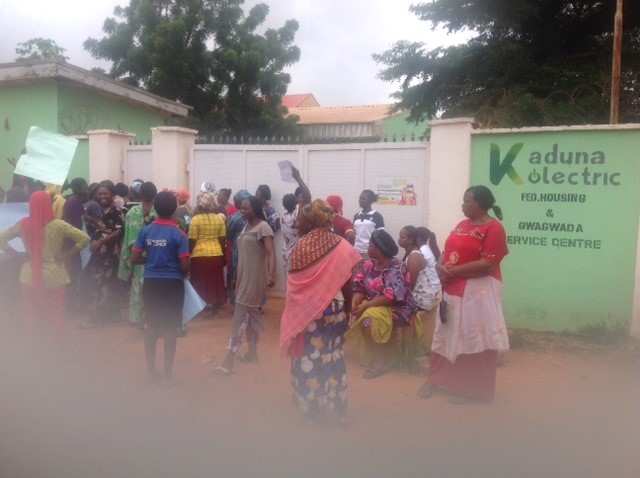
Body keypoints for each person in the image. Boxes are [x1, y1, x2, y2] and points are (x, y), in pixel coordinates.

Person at [417, 185, 509, 404]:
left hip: (478, 292)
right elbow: (447, 252)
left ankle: (473, 390)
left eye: (467, 201)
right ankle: (436, 378)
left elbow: (488, 264)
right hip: (452, 289)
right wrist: (440, 265)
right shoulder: (462, 224)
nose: (463, 205)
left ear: (480, 204)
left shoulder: (494, 228)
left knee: (474, 339)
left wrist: (453, 271)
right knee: (445, 336)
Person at [280, 199, 361, 426]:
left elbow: (294, 285)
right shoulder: (341, 245)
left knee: (308, 358)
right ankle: (340, 410)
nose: (297, 224)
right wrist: (347, 310)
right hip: (334, 310)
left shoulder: (301, 247)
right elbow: (348, 282)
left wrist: (293, 314)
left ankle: (311, 411)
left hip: (308, 314)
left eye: (301, 221)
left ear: (310, 222)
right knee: (334, 356)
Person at [0, 191, 90, 354]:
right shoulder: (59, 225)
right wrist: (66, 255)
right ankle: (57, 349)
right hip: (55, 276)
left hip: (28, 276)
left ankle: (34, 350)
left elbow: (1, 238)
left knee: (32, 314)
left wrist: (17, 255)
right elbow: (84, 238)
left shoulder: (23, 224)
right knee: (55, 314)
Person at [130, 191, 190, 386]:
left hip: (151, 282)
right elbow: (184, 265)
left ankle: (150, 372)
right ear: (174, 210)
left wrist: (150, 261)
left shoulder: (146, 231)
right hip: (173, 283)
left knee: (152, 325)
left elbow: (134, 258)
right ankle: (168, 375)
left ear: (155, 208)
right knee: (171, 327)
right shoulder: (179, 234)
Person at [216, 195, 276, 375]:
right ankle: (252, 353)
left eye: (246, 208)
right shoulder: (245, 226)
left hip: (254, 280)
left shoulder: (263, 227)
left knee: (240, 318)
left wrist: (271, 275)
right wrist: (236, 276)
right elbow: (244, 256)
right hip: (243, 278)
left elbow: (271, 253)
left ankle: (229, 360)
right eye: (241, 208)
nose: (241, 211)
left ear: (255, 209)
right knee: (249, 317)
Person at [345, 229, 416, 379]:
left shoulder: (397, 268)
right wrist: (355, 302)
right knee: (356, 312)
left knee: (368, 319)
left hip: (398, 307)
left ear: (379, 250)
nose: (367, 248)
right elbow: (359, 286)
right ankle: (373, 352)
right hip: (375, 304)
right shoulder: (368, 265)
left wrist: (366, 306)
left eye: (370, 245)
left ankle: (381, 361)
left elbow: (391, 296)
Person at [82, 180, 125, 328]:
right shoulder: (102, 211)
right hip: (101, 255)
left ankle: (96, 317)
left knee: (101, 284)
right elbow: (105, 228)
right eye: (99, 194)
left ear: (112, 195)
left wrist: (100, 241)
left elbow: (118, 231)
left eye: (105, 193)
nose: (102, 196)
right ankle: (110, 314)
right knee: (106, 284)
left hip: (111, 255)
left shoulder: (116, 212)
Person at [118, 182, 157, 329]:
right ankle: (153, 318)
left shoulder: (132, 212)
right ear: (155, 194)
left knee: (137, 286)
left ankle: (137, 317)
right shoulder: (159, 211)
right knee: (154, 288)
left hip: (138, 256)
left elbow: (129, 237)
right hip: (156, 257)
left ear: (140, 194)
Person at [398, 225, 441, 354]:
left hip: (421, 298)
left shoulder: (414, 256)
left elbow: (411, 284)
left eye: (402, 237)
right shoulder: (411, 253)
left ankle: (406, 349)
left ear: (411, 240)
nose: (399, 239)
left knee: (390, 307)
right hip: (418, 294)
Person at [189, 192, 227, 316]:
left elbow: (192, 240)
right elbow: (222, 240)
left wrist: (189, 254)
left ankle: (200, 308)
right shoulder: (219, 219)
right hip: (216, 254)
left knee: (199, 282)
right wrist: (223, 256)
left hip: (199, 255)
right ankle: (215, 309)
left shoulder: (195, 220)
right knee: (216, 281)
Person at [62, 178, 89, 313]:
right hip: (75, 244)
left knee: (74, 275)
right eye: (85, 187)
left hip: (73, 243)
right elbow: (77, 225)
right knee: (75, 275)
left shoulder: (72, 201)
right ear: (78, 188)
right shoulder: (75, 203)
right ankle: (71, 306)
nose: (87, 190)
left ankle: (71, 305)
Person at [225, 189, 250, 304]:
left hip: (238, 251)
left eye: (235, 201)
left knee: (237, 275)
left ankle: (238, 301)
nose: (234, 203)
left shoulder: (235, 217)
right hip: (253, 251)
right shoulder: (258, 215)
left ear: (240, 202)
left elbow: (228, 235)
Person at [353, 189, 384, 260]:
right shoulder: (356, 216)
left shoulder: (377, 216)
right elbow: (355, 233)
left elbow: (380, 236)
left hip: (369, 253)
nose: (360, 200)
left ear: (370, 201)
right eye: (360, 198)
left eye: (363, 198)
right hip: (356, 251)